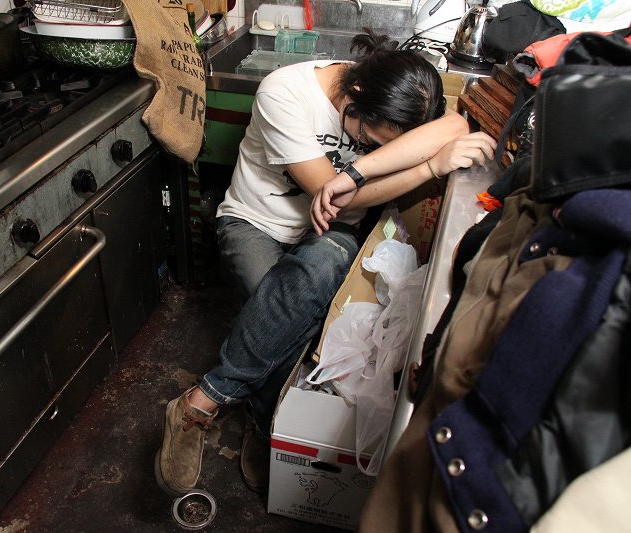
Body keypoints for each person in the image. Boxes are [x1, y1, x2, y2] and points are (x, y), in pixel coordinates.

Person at [155, 29, 497, 497]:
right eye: (368, 140)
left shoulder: (401, 97)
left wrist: (357, 169)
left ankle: (208, 397)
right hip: (255, 223)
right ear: (353, 94)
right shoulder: (285, 92)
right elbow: (331, 196)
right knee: (283, 310)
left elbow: (454, 127)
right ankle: (265, 417)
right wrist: (427, 167)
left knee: (300, 290)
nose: (374, 150)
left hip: (328, 236)